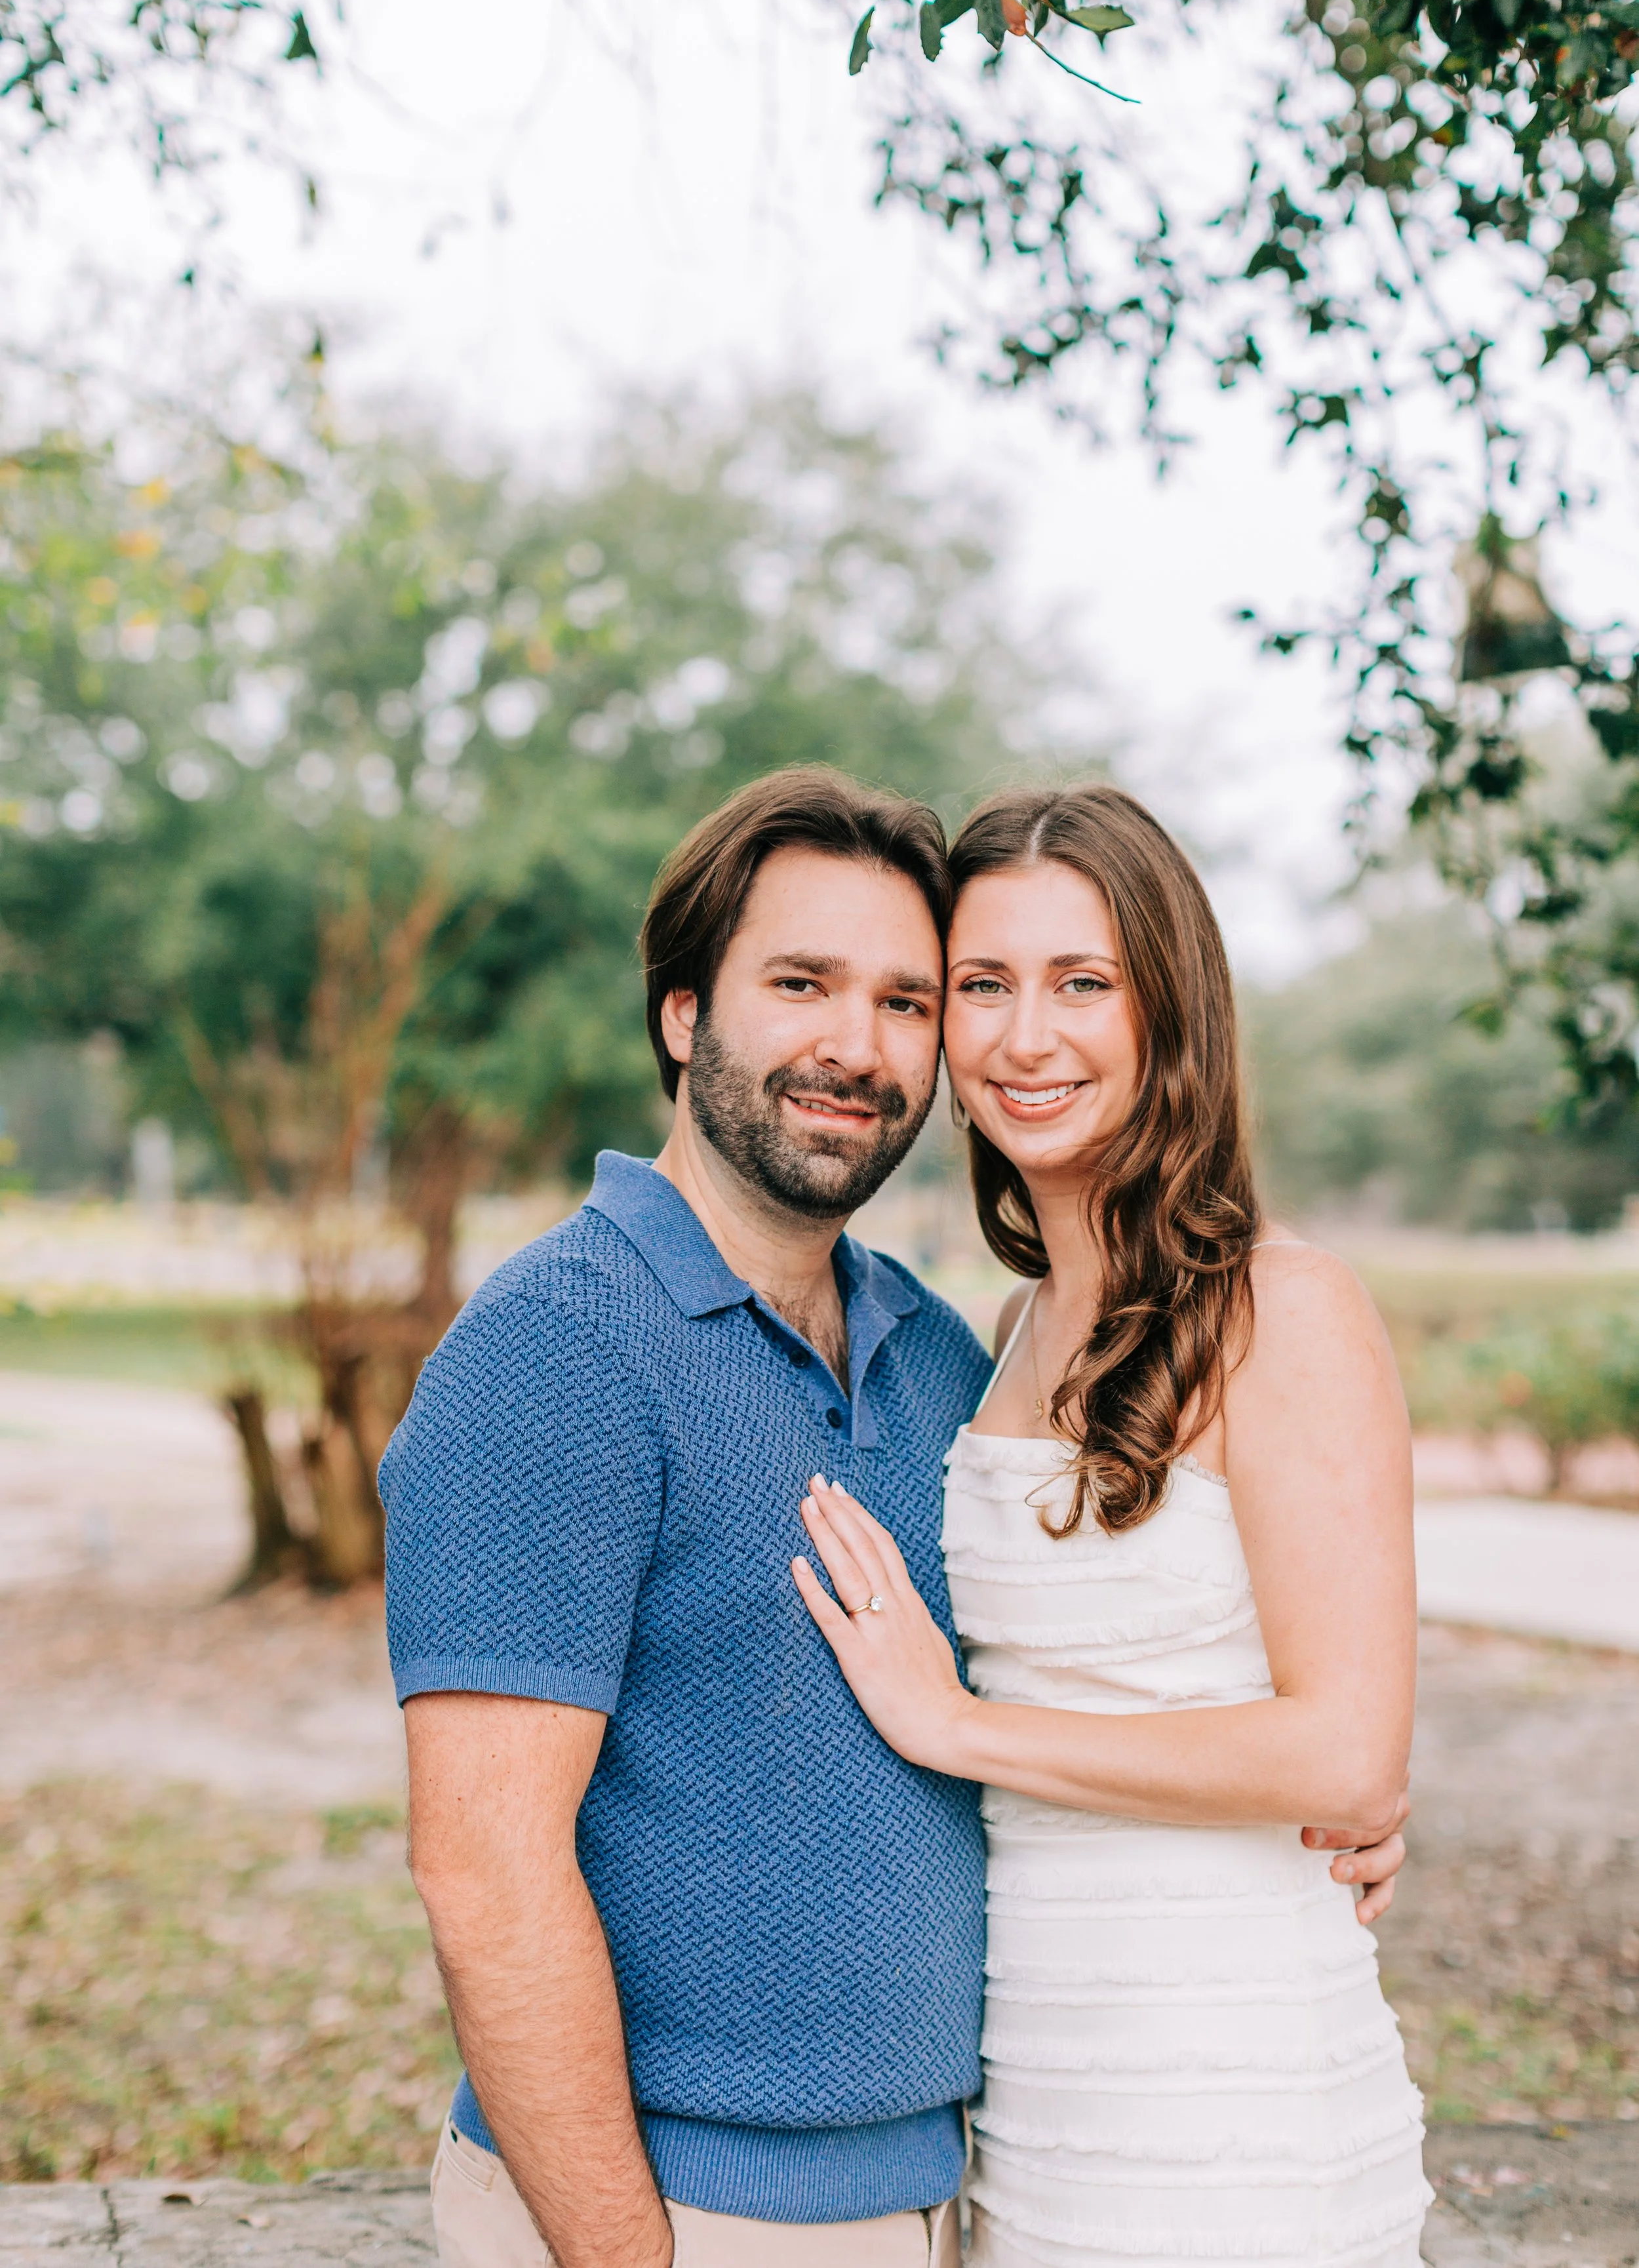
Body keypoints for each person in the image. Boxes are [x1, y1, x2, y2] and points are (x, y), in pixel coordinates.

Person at [382, 765, 1410, 2268]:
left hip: (995, 2164)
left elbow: (1249, 1695)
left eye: (908, 999)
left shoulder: (942, 1357)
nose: (856, 1047)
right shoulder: (558, 1344)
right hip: (685, 2210)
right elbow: (480, 1873)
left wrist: (1349, 1787)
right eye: (800, 983)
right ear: (683, 1016)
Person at [795, 783, 1430, 2268]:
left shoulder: (1282, 1307)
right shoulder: (1010, 1330)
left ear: (1170, 1011)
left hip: (1232, 2095)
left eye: (1083, 983)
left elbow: (1344, 1749)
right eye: (982, 987)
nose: (1027, 1038)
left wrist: (953, 1727)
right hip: (1039, 2087)